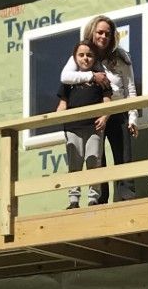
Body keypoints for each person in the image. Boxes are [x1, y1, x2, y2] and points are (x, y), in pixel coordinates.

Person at [58, 15, 138, 202]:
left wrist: (133, 117)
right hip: (94, 114)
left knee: (123, 156)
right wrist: (92, 77)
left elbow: (131, 88)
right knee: (97, 158)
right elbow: (65, 76)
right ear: (92, 32)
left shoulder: (121, 57)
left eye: (107, 34)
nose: (103, 37)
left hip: (118, 111)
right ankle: (99, 201)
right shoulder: (84, 53)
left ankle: (126, 199)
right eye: (100, 32)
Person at [56, 39, 109, 207]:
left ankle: (93, 198)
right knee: (75, 163)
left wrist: (104, 116)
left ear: (95, 58)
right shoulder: (69, 82)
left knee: (94, 160)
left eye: (89, 55)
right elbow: (62, 105)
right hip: (73, 127)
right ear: (75, 58)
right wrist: (59, 117)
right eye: (81, 55)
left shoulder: (100, 79)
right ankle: (73, 200)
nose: (85, 58)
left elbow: (107, 101)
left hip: (94, 127)